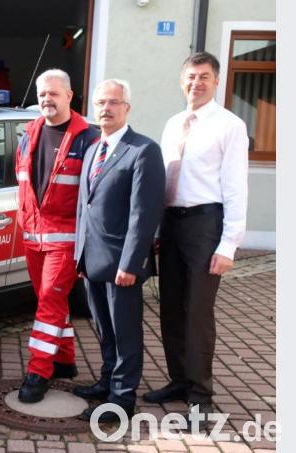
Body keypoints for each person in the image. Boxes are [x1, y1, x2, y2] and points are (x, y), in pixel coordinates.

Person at [143, 52, 248, 416]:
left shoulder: (230, 125)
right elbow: (165, 181)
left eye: (204, 76)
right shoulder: (173, 123)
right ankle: (178, 380)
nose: (196, 83)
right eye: (190, 76)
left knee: (198, 313)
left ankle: (201, 396)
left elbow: (236, 188)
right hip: (171, 224)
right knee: (170, 308)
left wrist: (228, 245)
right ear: (181, 80)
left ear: (216, 81)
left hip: (206, 225)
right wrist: (156, 228)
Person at [72, 79, 165, 422]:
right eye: (100, 103)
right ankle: (108, 380)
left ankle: (122, 399)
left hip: (122, 265)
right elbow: (86, 206)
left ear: (127, 107)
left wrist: (131, 262)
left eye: (113, 102)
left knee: (126, 332)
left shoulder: (144, 150)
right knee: (104, 328)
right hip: (92, 261)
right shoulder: (94, 148)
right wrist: (79, 256)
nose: (105, 109)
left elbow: (144, 213)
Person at [15, 69, 99, 403]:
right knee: (51, 301)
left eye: (53, 94)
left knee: (49, 299)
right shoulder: (29, 133)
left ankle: (38, 372)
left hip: (65, 239)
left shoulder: (86, 138)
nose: (47, 100)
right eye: (42, 95)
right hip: (33, 236)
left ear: (69, 96)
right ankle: (64, 360)